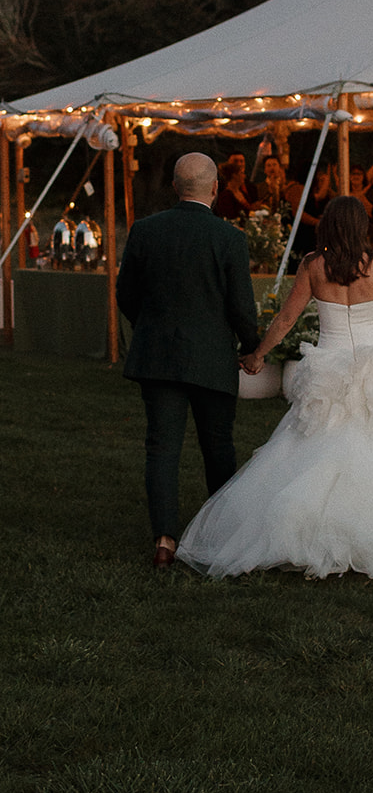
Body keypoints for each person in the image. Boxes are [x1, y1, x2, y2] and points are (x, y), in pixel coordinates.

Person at [176, 195, 373, 580]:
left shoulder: (313, 266)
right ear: (361, 228)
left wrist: (258, 355)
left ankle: (311, 535)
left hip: (329, 369)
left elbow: (287, 318)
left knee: (313, 449)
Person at [116, 152, 260, 570]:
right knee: (218, 446)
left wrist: (151, 327)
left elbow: (126, 294)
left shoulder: (145, 231)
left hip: (158, 355)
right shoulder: (229, 238)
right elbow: (239, 307)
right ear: (216, 189)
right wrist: (252, 347)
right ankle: (220, 536)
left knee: (162, 448)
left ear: (175, 188)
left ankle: (164, 541)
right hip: (213, 358)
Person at [214, 152, 257, 221]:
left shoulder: (242, 192)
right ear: (235, 175)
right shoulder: (225, 196)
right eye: (242, 173)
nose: (244, 176)